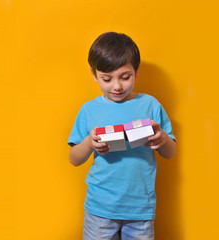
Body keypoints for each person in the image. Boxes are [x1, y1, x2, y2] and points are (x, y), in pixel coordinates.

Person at [68, 32, 176, 240]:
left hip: (140, 209)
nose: (117, 86)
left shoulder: (150, 105)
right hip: (99, 209)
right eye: (106, 79)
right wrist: (89, 143)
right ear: (94, 74)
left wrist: (162, 138)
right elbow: (74, 159)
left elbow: (170, 152)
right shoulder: (89, 110)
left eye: (125, 77)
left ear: (136, 71)